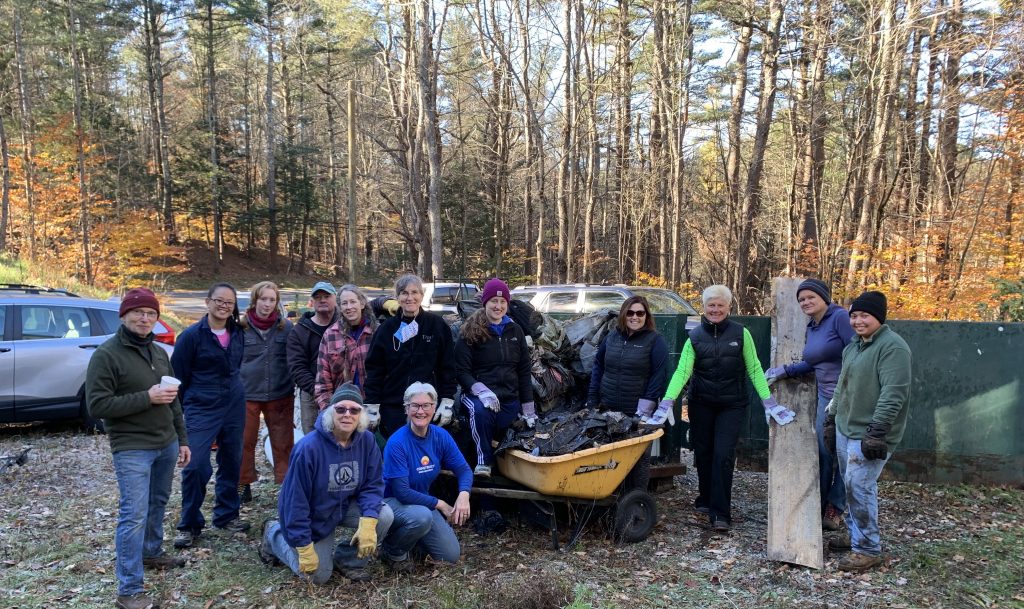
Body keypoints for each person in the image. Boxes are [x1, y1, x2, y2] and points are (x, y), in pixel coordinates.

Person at [655, 285, 793, 533]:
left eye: (720, 305)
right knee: (704, 453)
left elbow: (753, 368)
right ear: (704, 307)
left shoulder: (741, 334)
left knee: (723, 456)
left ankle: (721, 513)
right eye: (711, 305)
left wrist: (768, 400)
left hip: (732, 404)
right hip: (701, 403)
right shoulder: (695, 336)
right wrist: (668, 400)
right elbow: (683, 371)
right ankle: (706, 499)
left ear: (729, 307)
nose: (715, 309)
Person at [86, 288, 191, 609]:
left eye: (151, 313)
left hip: (166, 443)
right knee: (133, 514)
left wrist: (182, 439)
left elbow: (172, 399)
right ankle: (129, 590)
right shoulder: (106, 354)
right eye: (139, 312)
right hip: (132, 446)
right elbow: (97, 405)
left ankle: (151, 551)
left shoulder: (159, 352)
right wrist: (147, 397)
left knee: (158, 502)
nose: (145, 318)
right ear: (124, 315)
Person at [259, 383, 394, 583]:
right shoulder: (308, 448)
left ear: (361, 415)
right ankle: (274, 534)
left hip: (346, 506)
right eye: (340, 409)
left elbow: (372, 484)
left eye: (354, 410)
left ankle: (348, 560)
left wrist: (368, 521)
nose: (347, 414)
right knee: (317, 577)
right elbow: (295, 501)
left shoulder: (367, 441)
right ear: (330, 412)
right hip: (315, 515)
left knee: (383, 515)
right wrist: (303, 546)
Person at [825, 290, 911, 572]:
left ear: (879, 318)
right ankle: (855, 534)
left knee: (860, 487)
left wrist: (878, 431)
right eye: (854, 316)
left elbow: (893, 393)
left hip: (869, 433)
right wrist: (831, 417)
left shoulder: (892, 347)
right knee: (851, 486)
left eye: (865, 315)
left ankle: (868, 549)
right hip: (844, 427)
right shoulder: (854, 346)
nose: (858, 321)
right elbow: (842, 385)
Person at [763, 278, 853, 531]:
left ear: (824, 297)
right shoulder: (813, 325)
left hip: (847, 397)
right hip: (826, 397)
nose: (805, 302)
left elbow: (857, 355)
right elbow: (814, 361)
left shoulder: (840, 318)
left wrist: (847, 389)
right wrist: (784, 370)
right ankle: (819, 502)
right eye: (801, 299)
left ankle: (836, 506)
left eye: (810, 297)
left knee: (845, 456)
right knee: (824, 452)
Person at [171, 282, 249, 549]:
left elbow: (236, 366)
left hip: (234, 403)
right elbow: (178, 377)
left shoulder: (237, 332)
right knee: (195, 465)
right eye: (219, 301)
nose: (224, 306)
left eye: (229, 302)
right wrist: (184, 411)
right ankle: (189, 524)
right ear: (208, 302)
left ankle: (226, 515)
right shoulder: (191, 336)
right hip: (201, 405)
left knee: (231, 460)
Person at [380, 382, 472, 571]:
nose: (420, 411)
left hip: (420, 503)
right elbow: (402, 493)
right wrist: (440, 504)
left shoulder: (440, 436)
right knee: (422, 517)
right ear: (406, 409)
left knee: (450, 556)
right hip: (390, 503)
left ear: (434, 407)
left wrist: (464, 494)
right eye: (415, 406)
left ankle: (413, 542)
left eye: (426, 405)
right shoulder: (397, 442)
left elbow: (463, 469)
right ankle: (392, 550)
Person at [455, 278, 535, 478]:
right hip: (476, 396)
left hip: (508, 396)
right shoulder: (470, 330)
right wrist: (480, 390)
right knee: (480, 412)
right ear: (485, 303)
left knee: (513, 430)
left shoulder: (515, 330)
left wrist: (528, 409)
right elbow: (461, 371)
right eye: (493, 301)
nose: (498, 306)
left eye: (502, 302)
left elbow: (524, 371)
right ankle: (483, 462)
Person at [363, 275, 457, 437]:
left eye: (415, 292)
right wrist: (372, 404)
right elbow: (374, 369)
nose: (410, 297)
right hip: (394, 406)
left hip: (427, 406)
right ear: (398, 297)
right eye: (404, 293)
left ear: (421, 295)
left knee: (425, 457)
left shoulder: (437, 326)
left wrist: (447, 401)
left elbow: (447, 367)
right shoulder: (387, 329)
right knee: (398, 454)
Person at [238, 281, 295, 503]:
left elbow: (294, 357)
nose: (267, 304)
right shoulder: (240, 328)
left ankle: (287, 485)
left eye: (272, 300)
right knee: (244, 440)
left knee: (283, 442)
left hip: (280, 393)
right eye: (263, 299)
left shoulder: (286, 327)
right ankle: (243, 484)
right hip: (247, 393)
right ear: (255, 300)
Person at [587, 295, 669, 418]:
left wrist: (643, 412)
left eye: (640, 313)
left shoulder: (655, 340)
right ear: (623, 315)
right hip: (606, 410)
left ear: (646, 316)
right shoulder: (611, 337)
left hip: (636, 413)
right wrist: (592, 398)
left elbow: (658, 376)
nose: (634, 317)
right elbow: (598, 366)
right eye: (630, 313)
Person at [287, 281, 340, 434]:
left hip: (342, 390)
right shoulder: (300, 331)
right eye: (318, 297)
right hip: (311, 392)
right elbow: (297, 367)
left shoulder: (345, 324)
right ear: (312, 302)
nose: (322, 300)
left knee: (342, 436)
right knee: (312, 436)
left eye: (326, 296)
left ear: (335, 298)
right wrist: (319, 392)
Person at [315, 284, 378, 409]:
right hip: (341, 407)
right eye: (344, 303)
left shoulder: (377, 332)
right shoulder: (330, 335)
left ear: (362, 304)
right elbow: (323, 379)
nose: (349, 307)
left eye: (353, 302)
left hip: (372, 406)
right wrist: (327, 410)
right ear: (339, 307)